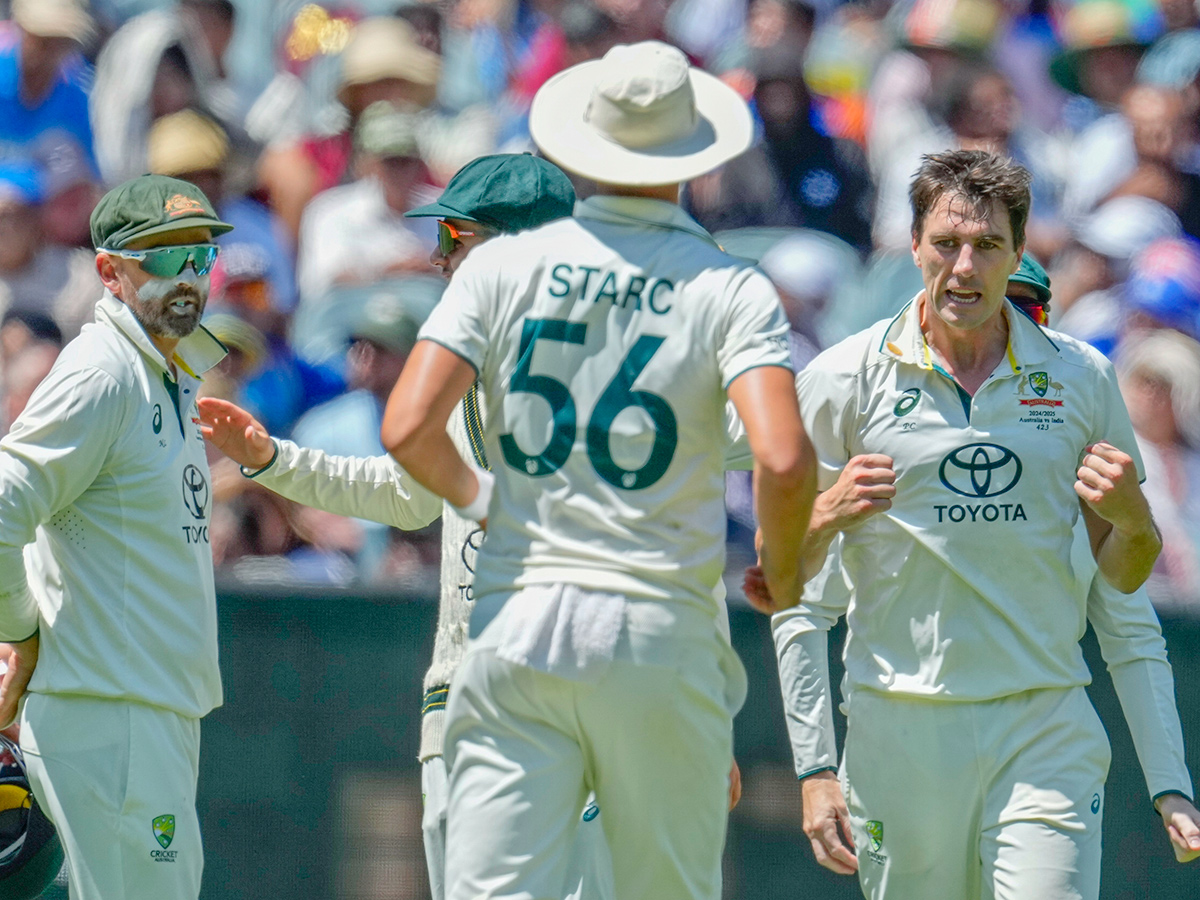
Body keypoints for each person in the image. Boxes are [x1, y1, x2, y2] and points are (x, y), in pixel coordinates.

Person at [380, 41, 817, 900]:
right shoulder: (729, 287)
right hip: (659, 630)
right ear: (694, 154)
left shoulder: (501, 264)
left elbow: (406, 428)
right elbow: (783, 454)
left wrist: (488, 502)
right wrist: (790, 572)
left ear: (581, 144)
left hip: (519, 627)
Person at [754, 149, 1200, 900]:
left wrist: (1170, 781)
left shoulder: (1081, 377)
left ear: (1019, 252)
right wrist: (815, 768)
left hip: (1042, 728)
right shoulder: (841, 377)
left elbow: (1122, 593)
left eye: (989, 246)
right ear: (913, 244)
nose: (966, 268)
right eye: (947, 244)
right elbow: (790, 589)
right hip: (897, 734)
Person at [198, 152, 607, 899]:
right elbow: (409, 494)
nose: (438, 255)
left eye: (456, 235)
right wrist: (270, 459)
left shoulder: (602, 368)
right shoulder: (465, 359)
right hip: (461, 701)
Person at [0, 174, 233, 899]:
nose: (189, 275)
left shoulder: (162, 372)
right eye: (163, 257)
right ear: (109, 271)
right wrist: (20, 631)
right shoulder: (102, 372)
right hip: (107, 719)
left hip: (142, 713)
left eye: (199, 255)